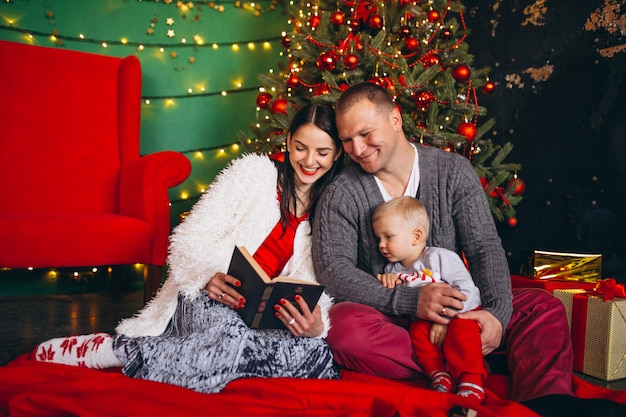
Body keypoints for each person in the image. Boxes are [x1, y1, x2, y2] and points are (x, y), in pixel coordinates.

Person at [311, 82, 626, 417]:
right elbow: (333, 270)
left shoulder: (451, 171)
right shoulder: (342, 192)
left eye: (365, 133)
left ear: (395, 119)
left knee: (542, 307)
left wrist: (496, 316)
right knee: (343, 327)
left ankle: (543, 402)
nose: (357, 148)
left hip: (463, 311)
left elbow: (484, 247)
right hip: (396, 320)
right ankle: (463, 369)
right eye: (346, 140)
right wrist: (409, 301)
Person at [33, 102, 344, 394]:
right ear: (288, 141)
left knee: (316, 354)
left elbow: (324, 285)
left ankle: (142, 353)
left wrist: (317, 323)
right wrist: (207, 276)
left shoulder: (331, 209)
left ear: (337, 153)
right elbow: (188, 238)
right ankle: (113, 350)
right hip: (210, 298)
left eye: (322, 152)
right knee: (235, 344)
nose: (309, 161)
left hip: (268, 318)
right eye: (301, 148)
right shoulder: (252, 175)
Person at [372, 196, 486, 402]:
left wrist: (447, 319)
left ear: (416, 236)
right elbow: (395, 302)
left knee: (464, 331)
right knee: (417, 333)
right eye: (379, 238)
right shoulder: (392, 269)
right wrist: (388, 281)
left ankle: (472, 379)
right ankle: (438, 373)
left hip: (458, 314)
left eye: (388, 237)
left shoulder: (439, 257)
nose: (381, 245)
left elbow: (468, 290)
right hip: (424, 320)